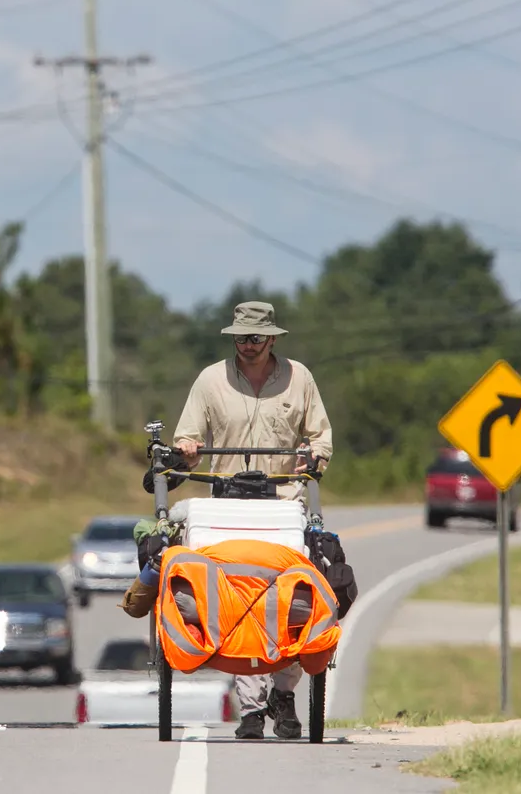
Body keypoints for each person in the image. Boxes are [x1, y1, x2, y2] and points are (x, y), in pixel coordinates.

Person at [171, 300, 335, 741]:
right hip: (226, 505)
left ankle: (285, 691)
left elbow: (320, 435)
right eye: (240, 338)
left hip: (284, 503)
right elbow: (187, 434)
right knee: (234, 602)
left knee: (295, 599)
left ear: (273, 339)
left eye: (256, 338)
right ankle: (251, 708)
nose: (247, 345)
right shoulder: (210, 380)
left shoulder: (300, 378)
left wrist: (313, 457)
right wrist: (187, 448)